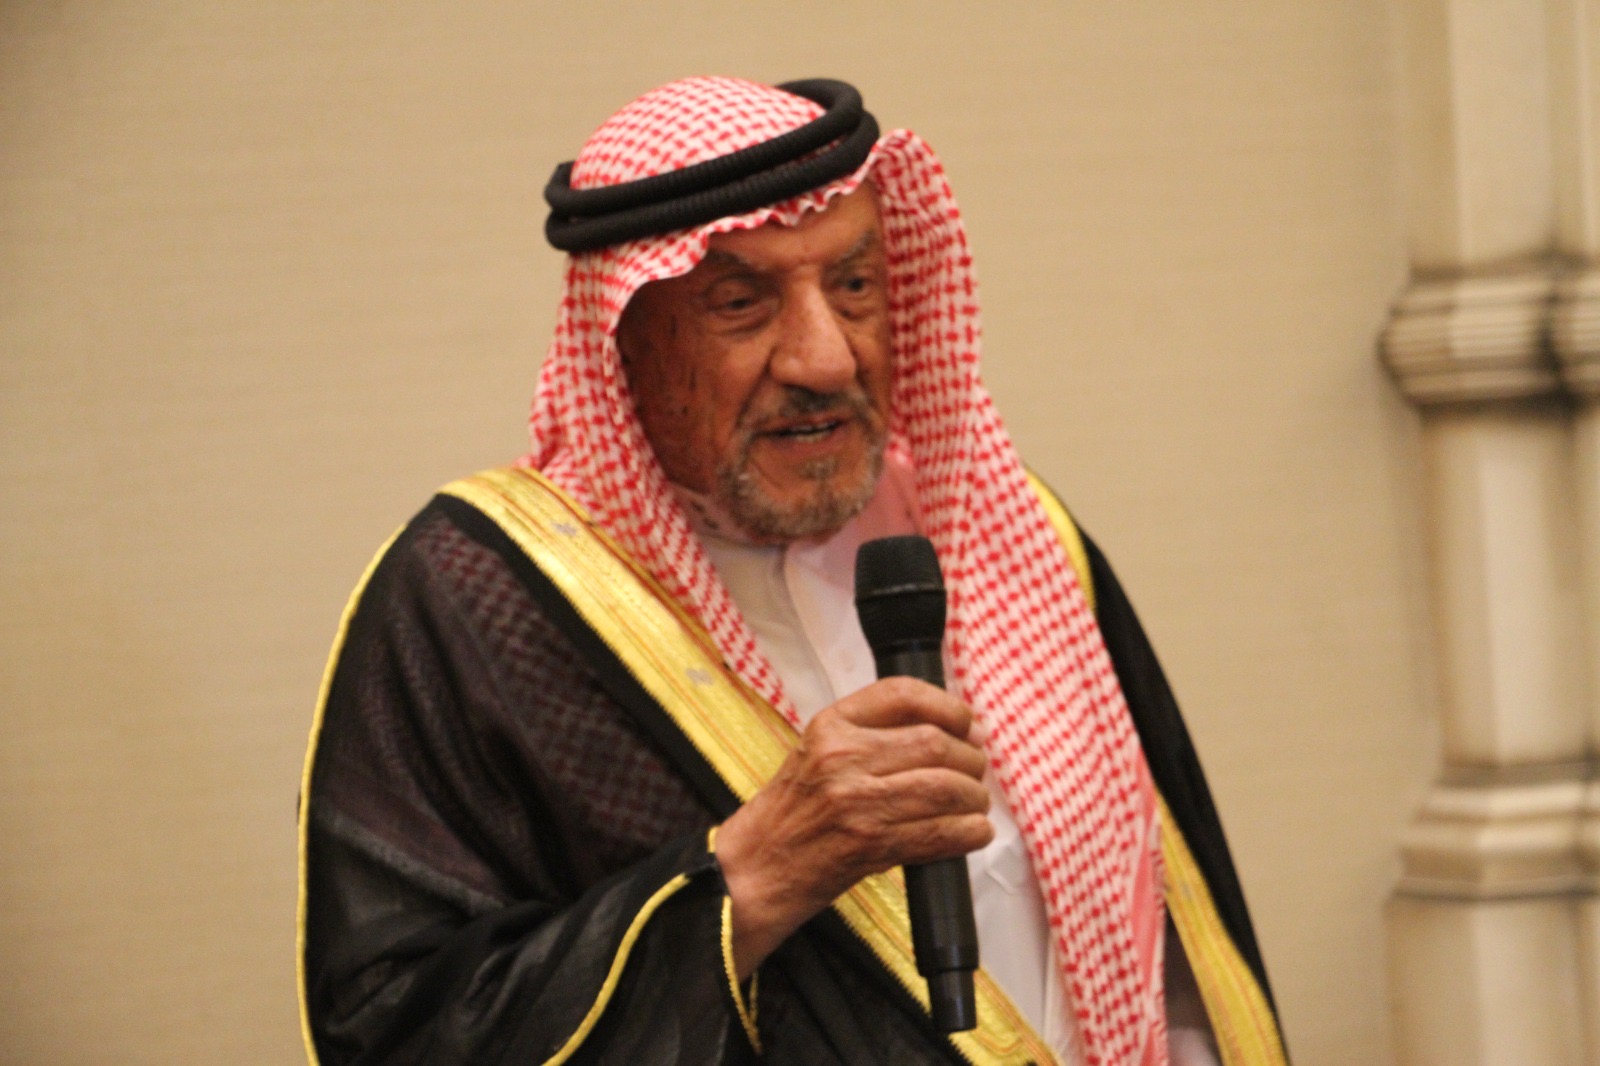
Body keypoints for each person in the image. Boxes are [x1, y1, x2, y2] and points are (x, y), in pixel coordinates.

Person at [296, 77, 1289, 1065]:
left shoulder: (1009, 530)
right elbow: (396, 1028)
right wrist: (754, 874)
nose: (825, 359)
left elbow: (1169, 954)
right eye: (741, 303)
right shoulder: (481, 601)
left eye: (854, 287)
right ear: (624, 342)